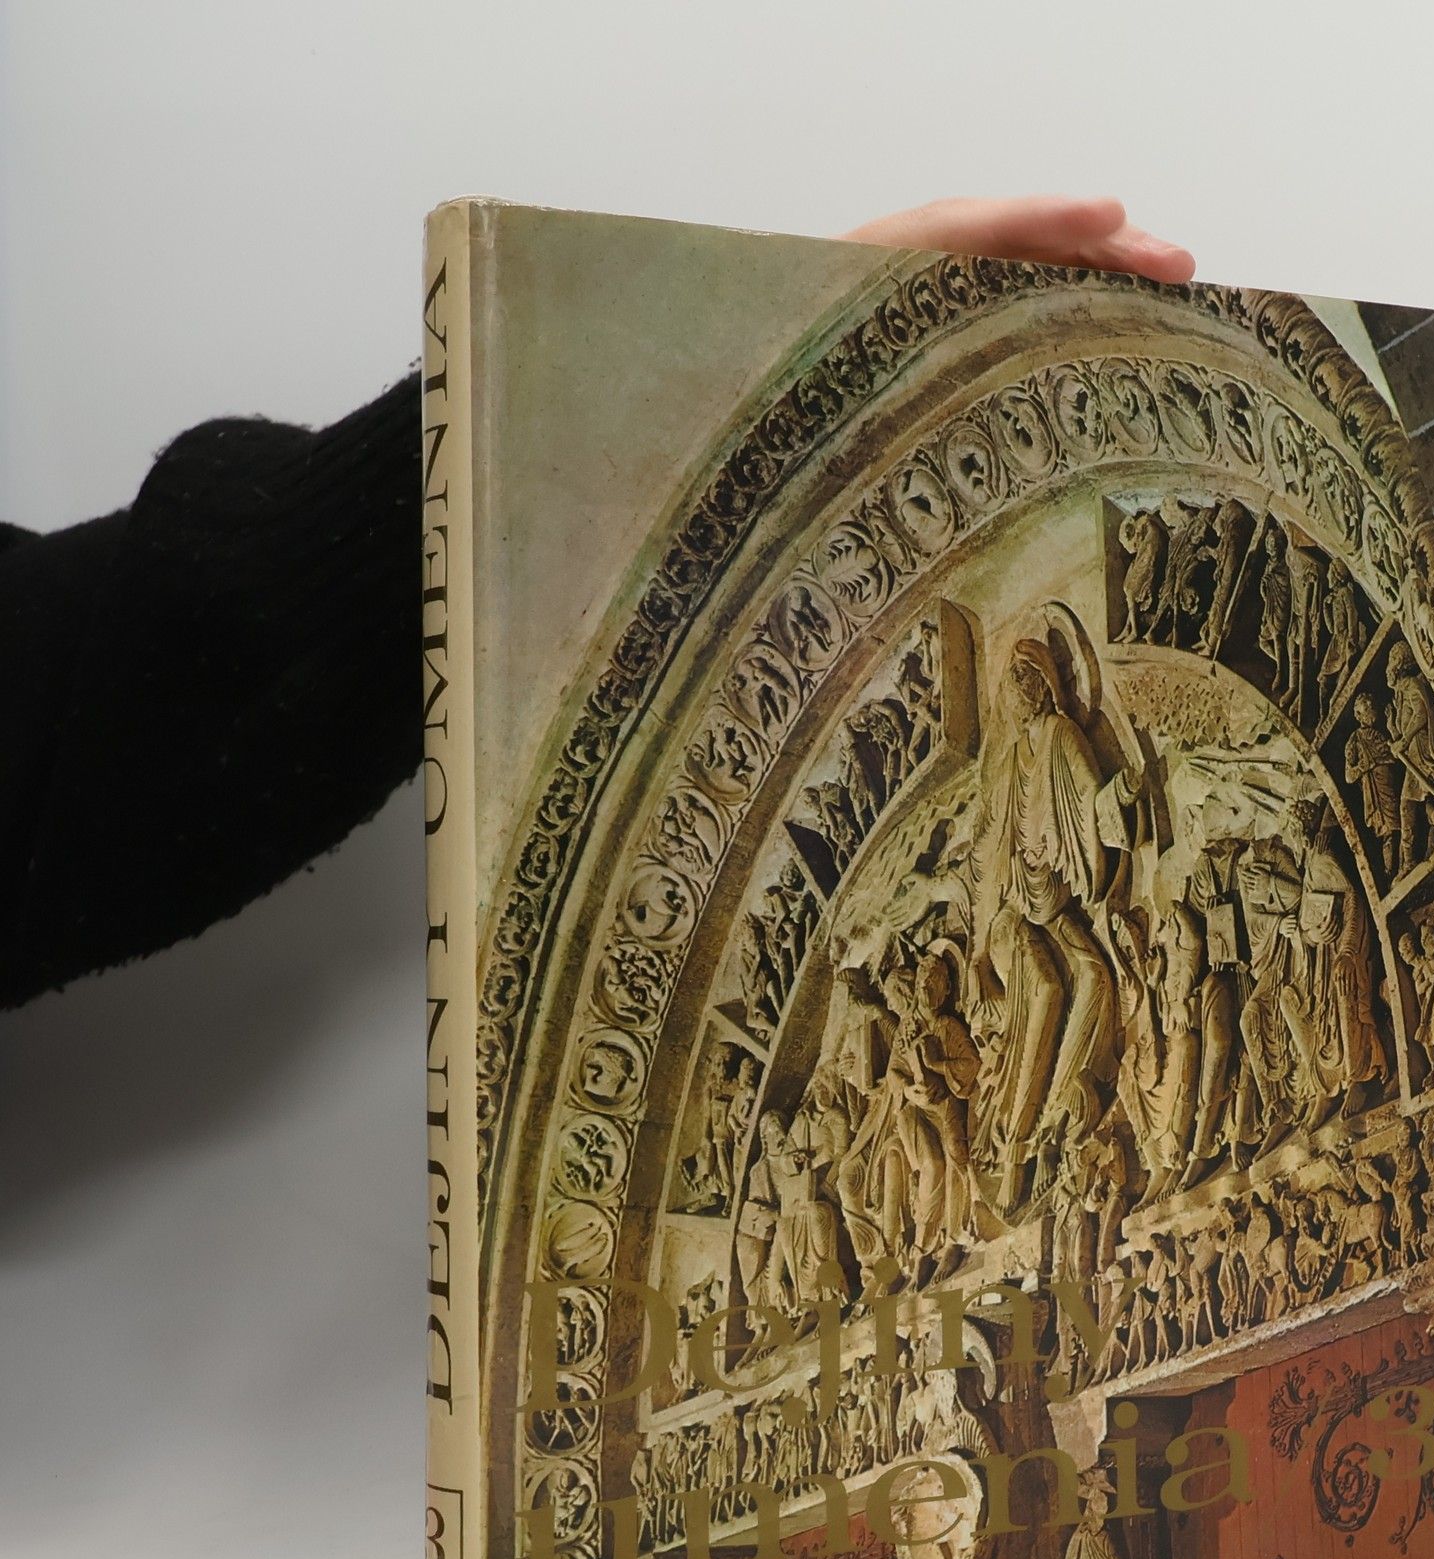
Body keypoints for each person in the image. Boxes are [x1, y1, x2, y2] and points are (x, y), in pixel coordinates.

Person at [0, 198, 1193, 1010]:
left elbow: (134, 674)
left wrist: (665, 390)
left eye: (1033, 679)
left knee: (1073, 986)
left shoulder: (1062, 750)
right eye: (1022, 678)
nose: (1025, 688)